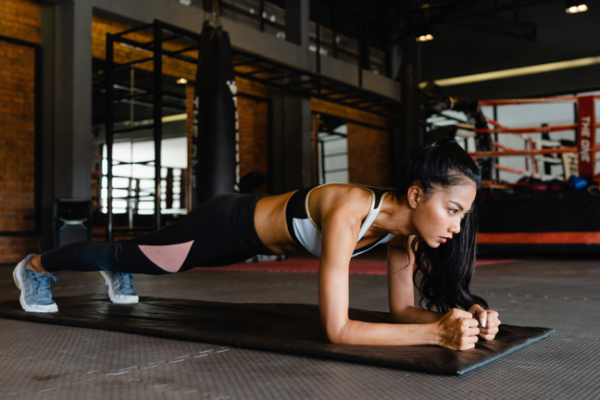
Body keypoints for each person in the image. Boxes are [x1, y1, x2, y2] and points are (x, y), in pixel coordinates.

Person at [13, 138, 500, 350]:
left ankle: (121, 269)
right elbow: (338, 329)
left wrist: (460, 319)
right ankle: (34, 266)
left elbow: (400, 315)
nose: (457, 228)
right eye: (453, 211)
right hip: (223, 223)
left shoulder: (404, 236)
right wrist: (437, 335)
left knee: (154, 263)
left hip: (246, 244)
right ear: (417, 195)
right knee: (132, 256)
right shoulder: (351, 208)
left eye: (464, 216)